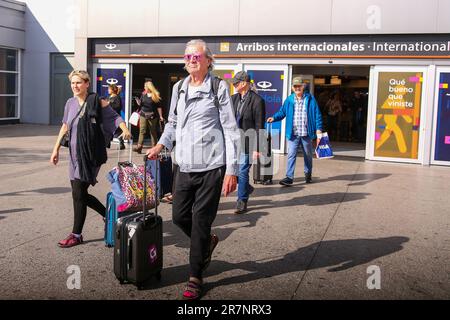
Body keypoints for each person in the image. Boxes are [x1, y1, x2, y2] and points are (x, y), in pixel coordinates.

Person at [146, 39, 240, 300]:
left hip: (211, 166)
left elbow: (231, 130)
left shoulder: (218, 87)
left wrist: (231, 170)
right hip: (184, 165)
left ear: (209, 60)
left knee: (200, 221)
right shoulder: (179, 87)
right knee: (178, 216)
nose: (191, 61)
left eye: (196, 57)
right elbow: (173, 122)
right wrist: (160, 145)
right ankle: (207, 242)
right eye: (187, 57)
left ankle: (195, 277)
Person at [50, 70, 131, 248]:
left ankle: (76, 234)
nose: (75, 86)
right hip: (73, 154)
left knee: (79, 192)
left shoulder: (96, 100)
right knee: (79, 194)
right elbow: (65, 126)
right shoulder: (70, 103)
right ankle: (107, 214)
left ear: (87, 84)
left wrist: (124, 129)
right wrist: (55, 149)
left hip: (90, 154)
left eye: (79, 82)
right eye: (73, 83)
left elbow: (115, 117)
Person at [267, 77, 322, 186]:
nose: (297, 88)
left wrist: (318, 129)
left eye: (299, 86)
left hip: (306, 133)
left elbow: (317, 115)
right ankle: (289, 177)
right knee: (291, 154)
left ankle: (308, 174)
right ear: (292, 88)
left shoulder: (310, 99)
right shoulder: (289, 100)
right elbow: (282, 112)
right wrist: (274, 118)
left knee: (308, 156)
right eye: (295, 86)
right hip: (293, 133)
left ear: (303, 87)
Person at [230, 71, 265, 214]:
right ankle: (247, 188)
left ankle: (242, 200)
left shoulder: (257, 101)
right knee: (233, 169)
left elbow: (259, 126)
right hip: (233, 142)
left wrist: (258, 148)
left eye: (236, 83)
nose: (234, 85)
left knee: (243, 170)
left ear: (244, 83)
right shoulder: (233, 99)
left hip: (249, 141)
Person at [133, 81, 164, 154]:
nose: (144, 88)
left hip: (152, 116)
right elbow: (141, 104)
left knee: (152, 131)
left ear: (149, 87)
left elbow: (159, 107)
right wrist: (138, 102)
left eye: (145, 87)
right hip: (143, 114)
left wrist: (161, 116)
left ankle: (154, 148)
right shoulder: (143, 94)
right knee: (142, 130)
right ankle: (139, 147)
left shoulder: (155, 95)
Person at [108, 84, 125, 150]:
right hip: (109, 116)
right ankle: (107, 143)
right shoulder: (110, 97)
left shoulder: (117, 97)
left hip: (115, 116)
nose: (108, 90)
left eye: (109, 89)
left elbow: (118, 107)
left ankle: (121, 144)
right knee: (109, 130)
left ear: (113, 90)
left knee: (117, 131)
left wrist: (110, 104)